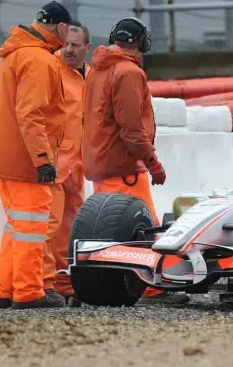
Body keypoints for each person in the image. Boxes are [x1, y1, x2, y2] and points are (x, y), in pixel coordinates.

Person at [82, 17, 187, 305]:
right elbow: (131, 129)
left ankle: (105, 283)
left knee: (106, 232)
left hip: (101, 164)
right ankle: (153, 287)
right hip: (124, 166)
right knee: (144, 228)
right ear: (141, 42)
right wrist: (152, 161)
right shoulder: (129, 72)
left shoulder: (97, 69)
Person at [0, 1, 81, 309]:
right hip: (28, 161)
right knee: (31, 226)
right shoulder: (38, 59)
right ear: (60, 27)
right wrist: (43, 159)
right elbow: (31, 113)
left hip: (7, 158)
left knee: (16, 225)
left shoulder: (16, 53)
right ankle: (28, 292)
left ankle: (6, 290)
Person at [43, 24, 92, 307]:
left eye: (76, 46)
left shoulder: (91, 76)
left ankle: (65, 283)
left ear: (88, 47)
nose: (69, 50)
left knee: (72, 226)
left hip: (78, 165)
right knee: (50, 225)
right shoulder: (52, 71)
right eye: (67, 45)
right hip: (55, 162)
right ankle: (43, 283)